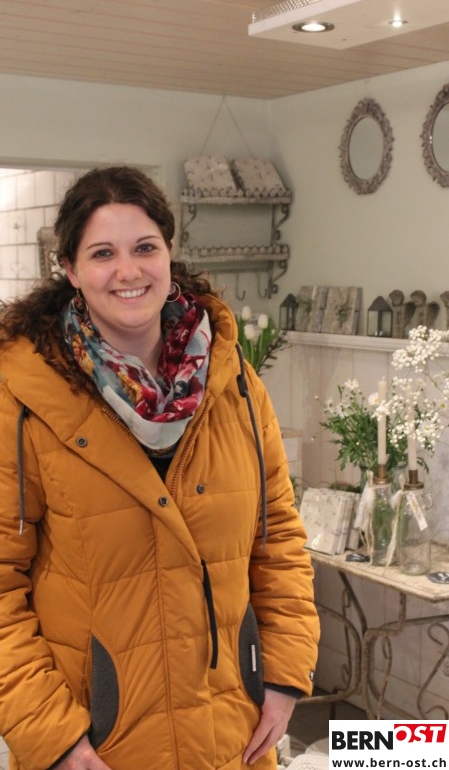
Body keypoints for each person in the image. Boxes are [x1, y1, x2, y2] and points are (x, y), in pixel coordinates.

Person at [0, 165, 319, 770]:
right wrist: (53, 738)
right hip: (98, 748)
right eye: (103, 253)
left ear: (169, 253)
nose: (128, 270)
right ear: (70, 269)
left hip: (232, 736)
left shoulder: (234, 381)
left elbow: (276, 537)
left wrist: (283, 675)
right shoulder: (21, 398)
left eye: (145, 247)